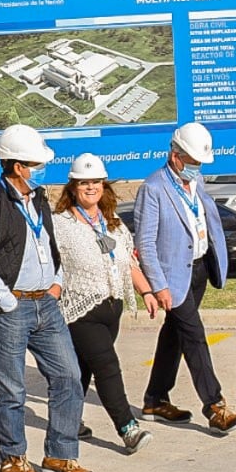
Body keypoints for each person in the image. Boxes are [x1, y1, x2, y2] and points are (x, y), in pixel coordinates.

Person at [0, 124, 93, 472]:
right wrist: (6, 301)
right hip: (9, 309)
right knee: (11, 389)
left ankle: (60, 454)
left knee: (69, 377)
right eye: (36, 163)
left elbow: (49, 247)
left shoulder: (40, 199)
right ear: (17, 166)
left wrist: (56, 284)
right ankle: (13, 457)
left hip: (46, 305)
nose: (42, 169)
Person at [134, 122, 236, 434]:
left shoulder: (196, 183)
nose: (197, 168)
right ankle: (214, 405)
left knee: (174, 334)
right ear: (175, 156)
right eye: (193, 162)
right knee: (194, 335)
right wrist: (159, 286)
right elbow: (144, 242)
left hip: (197, 269)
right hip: (171, 277)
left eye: (200, 163)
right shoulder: (153, 188)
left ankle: (155, 399)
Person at [52, 153, 154, 453]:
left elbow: (129, 264)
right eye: (84, 183)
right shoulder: (60, 224)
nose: (91, 187)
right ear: (73, 187)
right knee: (107, 365)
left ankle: (68, 420)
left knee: (83, 369)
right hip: (80, 310)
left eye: (96, 181)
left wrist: (147, 292)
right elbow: (51, 266)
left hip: (112, 307)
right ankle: (127, 427)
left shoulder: (114, 224)